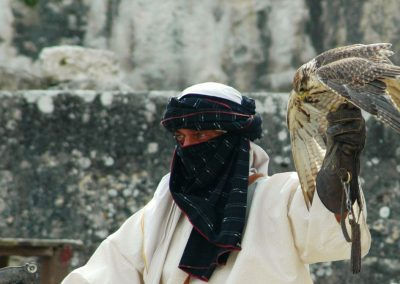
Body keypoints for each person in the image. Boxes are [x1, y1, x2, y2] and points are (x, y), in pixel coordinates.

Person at [62, 82, 371, 284]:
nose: (188, 148)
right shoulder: (164, 210)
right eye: (181, 138)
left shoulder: (281, 196)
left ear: (236, 141)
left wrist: (340, 166)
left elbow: (332, 238)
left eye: (201, 136)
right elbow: (106, 273)